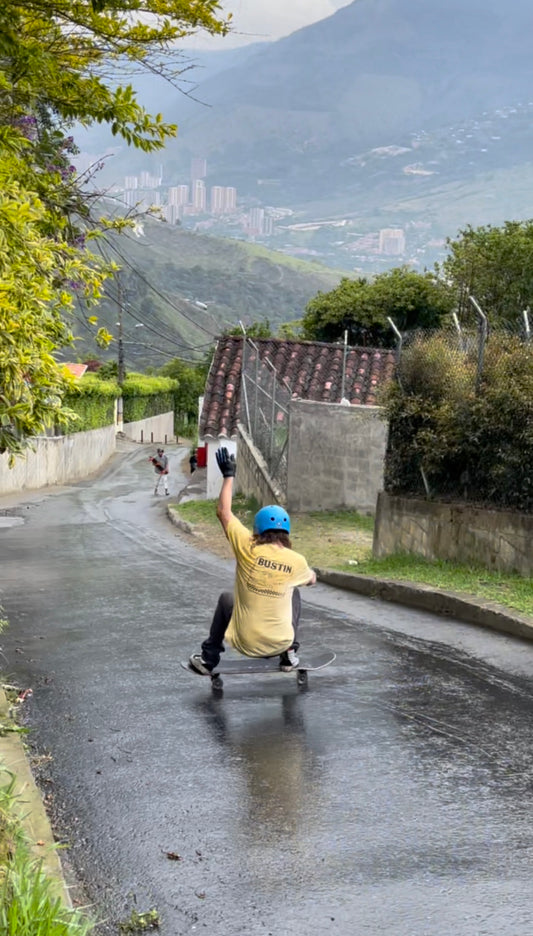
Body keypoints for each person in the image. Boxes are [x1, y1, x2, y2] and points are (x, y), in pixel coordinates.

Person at [189, 446, 316, 674]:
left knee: (227, 599)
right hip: (279, 643)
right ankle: (289, 654)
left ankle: (208, 660)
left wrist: (229, 476)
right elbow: (312, 579)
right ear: (286, 532)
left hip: (245, 643)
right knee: (294, 592)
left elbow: (223, 512)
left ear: (257, 529)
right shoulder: (296, 561)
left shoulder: (247, 546)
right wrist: (302, 575)